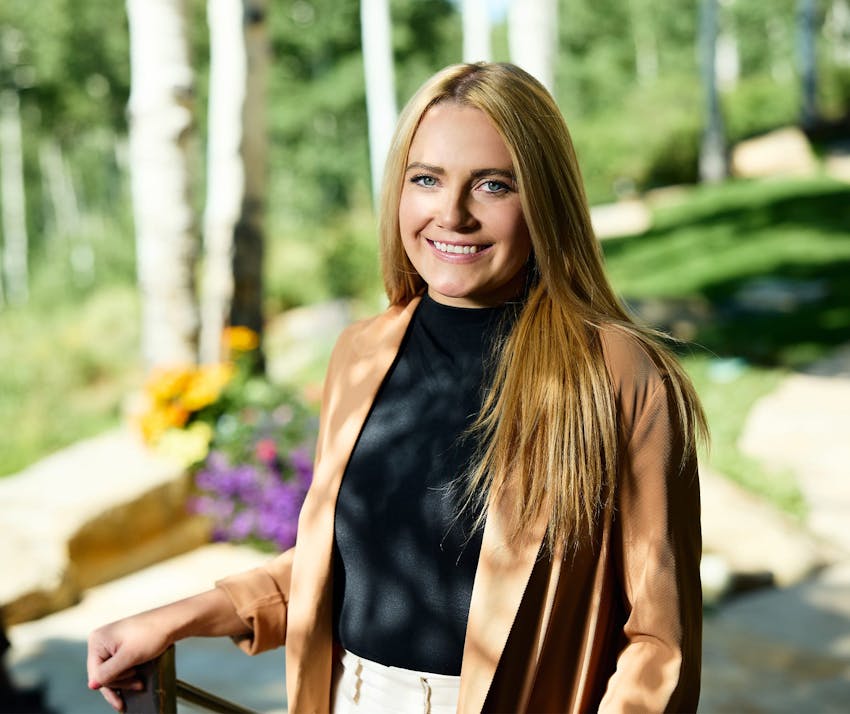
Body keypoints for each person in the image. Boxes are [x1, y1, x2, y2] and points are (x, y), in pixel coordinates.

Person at [87, 62, 705, 713]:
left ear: (546, 200)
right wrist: (179, 616)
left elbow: (660, 644)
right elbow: (344, 566)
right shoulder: (362, 352)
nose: (452, 214)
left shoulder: (618, 377)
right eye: (427, 180)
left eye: (494, 185)